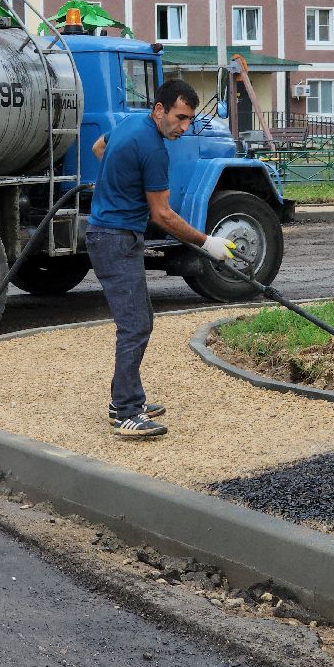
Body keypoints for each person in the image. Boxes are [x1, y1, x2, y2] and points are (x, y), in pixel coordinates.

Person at [86, 78, 236, 439]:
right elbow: (163, 215)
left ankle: (123, 398)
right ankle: (126, 412)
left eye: (189, 120)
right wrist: (207, 243)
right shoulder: (153, 149)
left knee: (138, 319)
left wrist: (120, 179)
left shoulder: (130, 124)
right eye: (180, 118)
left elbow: (97, 147)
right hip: (115, 239)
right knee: (135, 324)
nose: (184, 128)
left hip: (108, 234)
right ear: (160, 110)